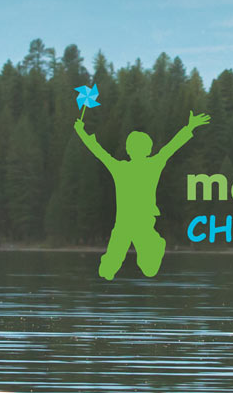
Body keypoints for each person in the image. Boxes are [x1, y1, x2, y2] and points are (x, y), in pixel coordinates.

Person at [74, 110, 209, 279]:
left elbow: (99, 151)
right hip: (123, 225)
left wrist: (82, 133)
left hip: (142, 224)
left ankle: (157, 245)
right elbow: (99, 152)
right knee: (106, 271)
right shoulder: (123, 167)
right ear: (131, 150)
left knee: (149, 270)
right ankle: (155, 246)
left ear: (145, 150)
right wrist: (82, 133)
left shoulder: (147, 165)